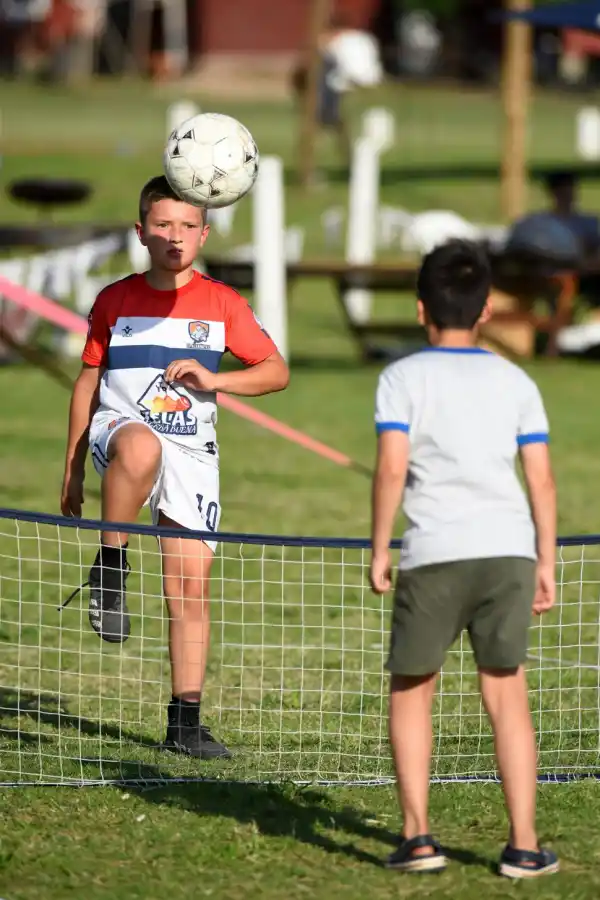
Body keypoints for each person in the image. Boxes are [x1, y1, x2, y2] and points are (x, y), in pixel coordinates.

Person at [60, 175, 289, 760]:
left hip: (194, 451)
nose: (174, 236)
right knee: (142, 448)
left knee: (190, 589)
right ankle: (110, 568)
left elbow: (274, 371)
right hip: (123, 433)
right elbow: (88, 380)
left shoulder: (222, 303)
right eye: (162, 225)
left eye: (187, 226)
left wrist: (217, 379)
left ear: (204, 234)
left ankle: (184, 723)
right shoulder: (114, 300)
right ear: (141, 232)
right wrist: (72, 470)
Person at [369, 239, 558, 878]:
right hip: (508, 551)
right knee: (507, 693)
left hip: (435, 554)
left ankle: (419, 836)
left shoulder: (401, 377)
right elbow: (542, 482)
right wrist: (546, 561)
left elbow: (391, 468)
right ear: (485, 312)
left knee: (412, 688)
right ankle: (524, 845)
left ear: (422, 309)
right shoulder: (517, 381)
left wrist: (377, 548)